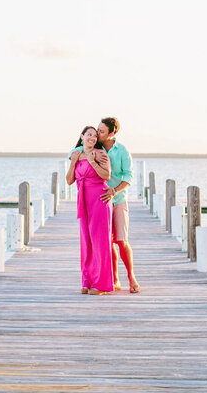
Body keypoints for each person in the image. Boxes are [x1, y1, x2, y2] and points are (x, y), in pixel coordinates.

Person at [71, 117, 140, 293]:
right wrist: (80, 155)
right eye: (97, 130)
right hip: (100, 200)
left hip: (118, 199)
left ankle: (131, 277)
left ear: (112, 133)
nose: (98, 134)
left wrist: (114, 191)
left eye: (101, 131)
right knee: (105, 242)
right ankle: (113, 279)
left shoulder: (122, 151)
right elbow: (75, 151)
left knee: (121, 240)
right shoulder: (95, 147)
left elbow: (128, 176)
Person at [66, 126, 113, 294]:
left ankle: (101, 285)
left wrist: (92, 162)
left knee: (100, 242)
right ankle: (87, 281)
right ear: (82, 137)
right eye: (89, 135)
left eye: (94, 136)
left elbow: (106, 176)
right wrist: (73, 162)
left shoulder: (100, 154)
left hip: (99, 200)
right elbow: (69, 180)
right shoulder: (76, 155)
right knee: (86, 242)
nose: (92, 138)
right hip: (83, 201)